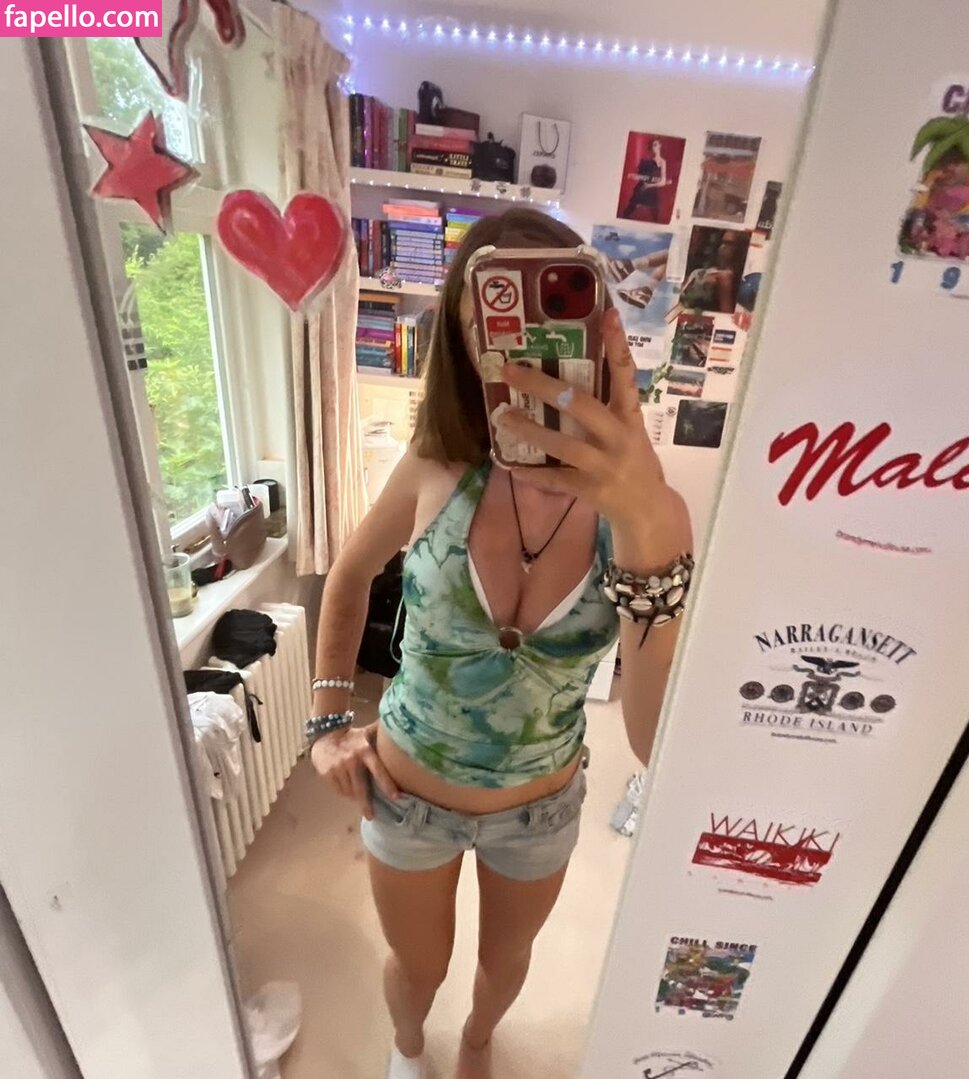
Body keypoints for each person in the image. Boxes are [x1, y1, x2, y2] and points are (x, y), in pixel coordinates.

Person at [309, 208, 693, 1079]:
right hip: (405, 794)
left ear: (599, 330)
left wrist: (645, 525)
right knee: (418, 969)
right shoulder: (435, 464)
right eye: (493, 317)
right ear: (462, 336)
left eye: (556, 313)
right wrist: (326, 723)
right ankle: (410, 1045)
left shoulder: (647, 513)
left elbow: (648, 737)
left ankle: (480, 1039)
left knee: (504, 962)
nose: (522, 348)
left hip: (540, 808)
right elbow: (349, 576)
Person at [619, 137, 669, 223]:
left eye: (655, 145)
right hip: (641, 189)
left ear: (660, 146)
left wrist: (649, 185)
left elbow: (663, 182)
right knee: (627, 212)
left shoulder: (662, 162)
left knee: (656, 217)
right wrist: (634, 176)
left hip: (652, 190)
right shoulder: (646, 160)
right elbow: (642, 176)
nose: (654, 147)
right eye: (652, 145)